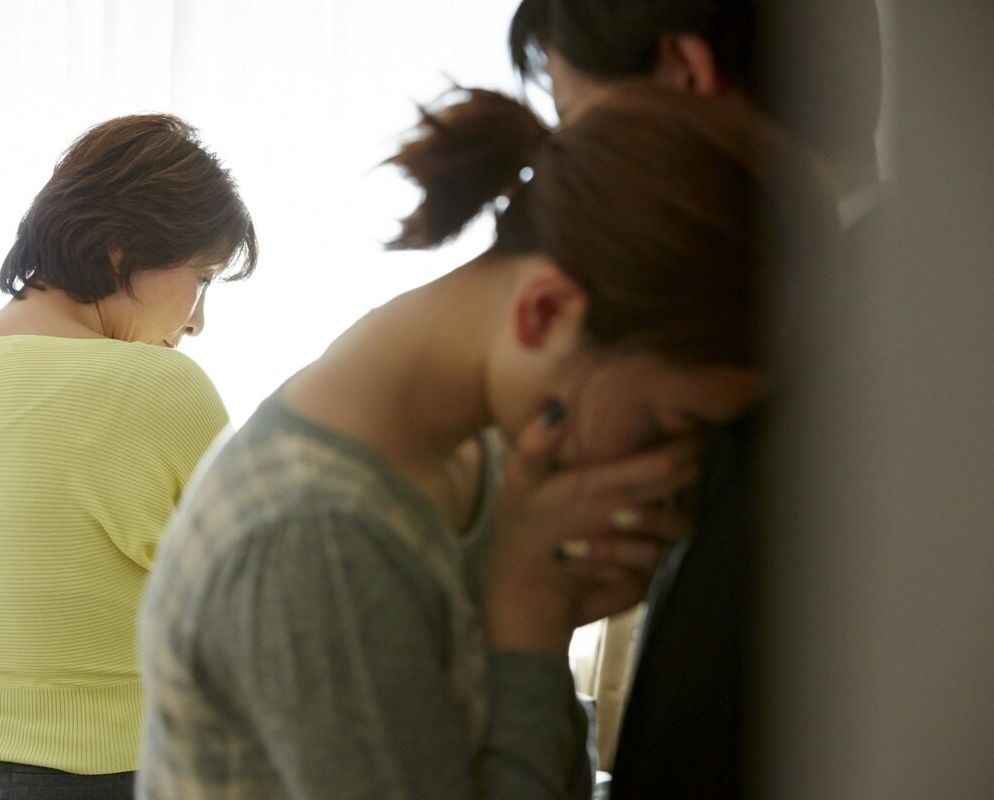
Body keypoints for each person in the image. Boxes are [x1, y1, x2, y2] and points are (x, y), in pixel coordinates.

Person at [136, 84, 834, 799]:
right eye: (668, 424)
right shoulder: (318, 536)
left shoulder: (480, 455)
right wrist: (531, 619)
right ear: (545, 313)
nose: (673, 467)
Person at [507, 2, 886, 797]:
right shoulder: (795, 329)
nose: (581, 173)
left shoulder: (880, 367)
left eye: (578, 120)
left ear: (683, 76)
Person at [0, 113, 257, 799]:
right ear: (123, 248)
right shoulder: (161, 387)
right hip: (110, 768)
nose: (197, 320)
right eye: (203, 277)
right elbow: (255, 593)